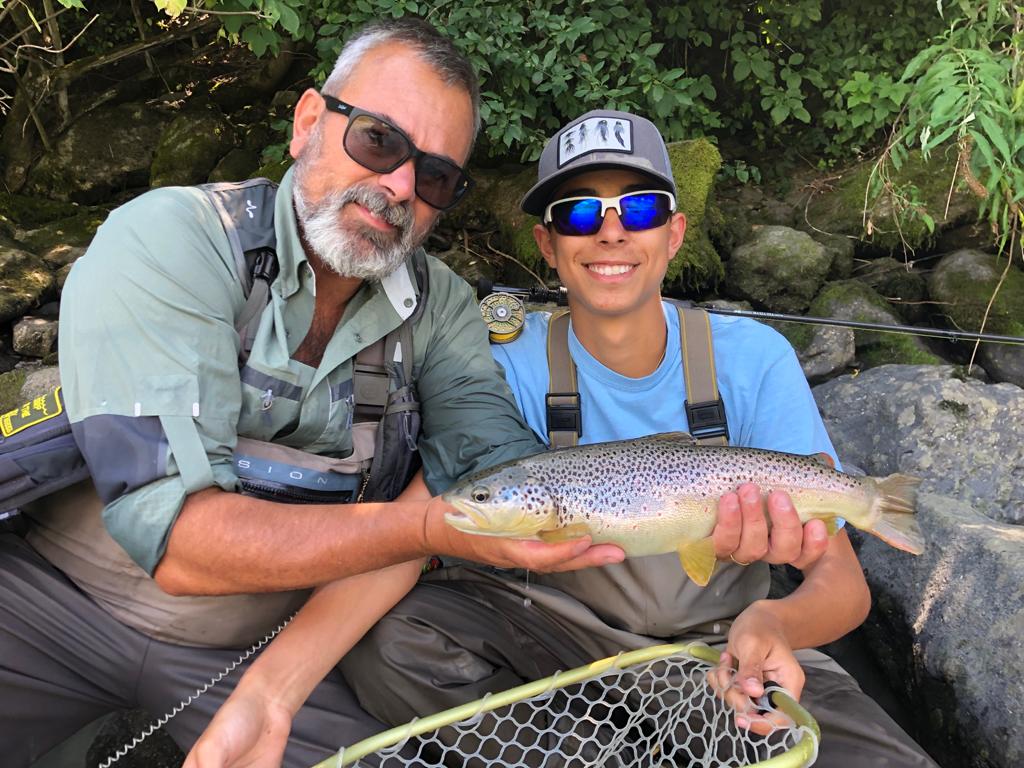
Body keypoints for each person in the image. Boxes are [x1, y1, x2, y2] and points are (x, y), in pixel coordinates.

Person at [182, 112, 927, 768]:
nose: (610, 232)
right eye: (577, 214)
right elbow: (412, 530)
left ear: (674, 233)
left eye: (637, 208)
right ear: (546, 242)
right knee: (397, 638)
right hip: (558, 642)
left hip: (730, 650)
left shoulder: (752, 358)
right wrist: (271, 693)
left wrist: (776, 621)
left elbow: (843, 584)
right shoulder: (499, 367)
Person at [0, 20, 624, 768]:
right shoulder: (172, 237)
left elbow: (489, 467)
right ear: (307, 123)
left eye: (434, 178)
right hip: (46, 603)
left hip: (261, 647)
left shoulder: (445, 307)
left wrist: (701, 512)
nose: (398, 186)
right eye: (379, 141)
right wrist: (421, 528)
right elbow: (175, 540)